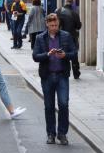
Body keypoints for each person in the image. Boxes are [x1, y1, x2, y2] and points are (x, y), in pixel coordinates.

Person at [32, 13, 77, 145]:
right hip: (47, 75)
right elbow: (35, 56)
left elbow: (74, 53)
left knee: (63, 104)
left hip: (62, 75)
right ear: (47, 24)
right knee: (49, 106)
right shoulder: (40, 38)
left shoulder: (66, 36)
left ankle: (62, 133)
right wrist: (47, 54)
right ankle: (51, 134)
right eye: (51, 25)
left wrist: (65, 55)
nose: (54, 28)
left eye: (56, 25)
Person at [56, 0, 83, 78]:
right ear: (72, 3)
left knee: (61, 52)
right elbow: (78, 26)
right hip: (72, 36)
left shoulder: (59, 11)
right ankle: (76, 73)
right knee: (74, 54)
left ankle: (62, 71)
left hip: (61, 36)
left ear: (65, 1)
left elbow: (56, 24)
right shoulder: (75, 13)